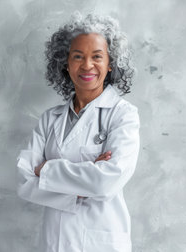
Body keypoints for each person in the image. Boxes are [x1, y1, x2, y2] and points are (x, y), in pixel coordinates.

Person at [16, 13, 139, 252]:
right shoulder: (50, 119)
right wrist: (82, 186)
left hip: (100, 242)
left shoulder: (123, 115)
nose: (87, 65)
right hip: (54, 242)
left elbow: (106, 182)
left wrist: (46, 170)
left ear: (110, 62)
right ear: (66, 63)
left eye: (97, 56)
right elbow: (23, 181)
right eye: (78, 56)